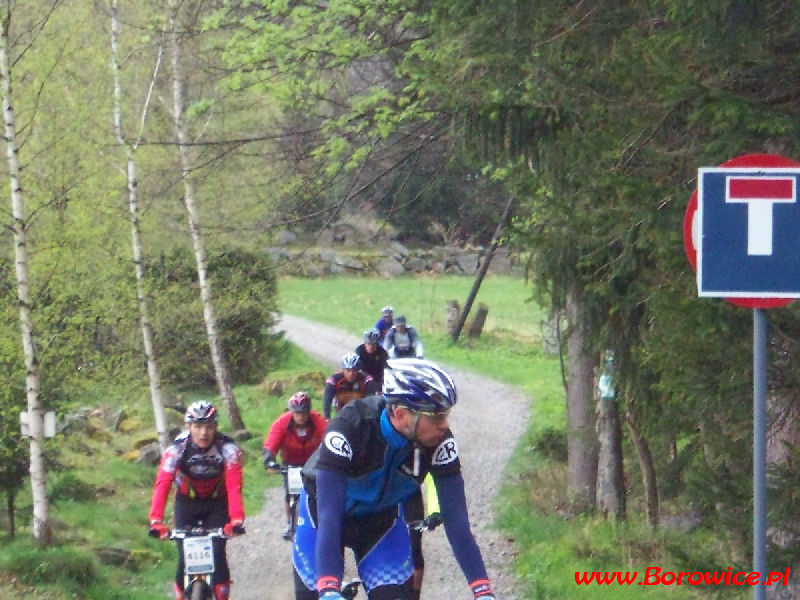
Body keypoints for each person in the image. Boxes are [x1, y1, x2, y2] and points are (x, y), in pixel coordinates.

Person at [291, 359, 498, 600]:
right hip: (322, 513)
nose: (445, 425)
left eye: (446, 415)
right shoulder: (351, 426)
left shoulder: (440, 441)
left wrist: (483, 591)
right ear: (400, 414)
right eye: (436, 417)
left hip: (380, 521)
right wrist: (328, 587)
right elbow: (329, 516)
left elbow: (458, 523)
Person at [148, 401, 244, 600]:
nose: (204, 433)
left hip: (217, 503)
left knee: (218, 554)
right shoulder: (176, 450)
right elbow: (163, 482)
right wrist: (156, 520)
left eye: (209, 426)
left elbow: (234, 486)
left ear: (215, 427)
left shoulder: (228, 449)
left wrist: (236, 519)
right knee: (184, 558)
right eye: (198, 426)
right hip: (187, 503)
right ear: (188, 427)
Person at [263, 391, 328, 539]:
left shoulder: (317, 419)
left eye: (304, 412)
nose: (301, 416)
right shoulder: (282, 423)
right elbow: (271, 442)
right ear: (291, 412)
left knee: (318, 493)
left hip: (312, 463)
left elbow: (328, 434)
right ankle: (290, 523)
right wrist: (269, 460)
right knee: (290, 494)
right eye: (297, 413)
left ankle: (319, 521)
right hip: (290, 463)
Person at [322, 352, 376, 419]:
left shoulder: (366, 379)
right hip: (341, 414)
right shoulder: (334, 380)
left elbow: (371, 400)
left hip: (360, 415)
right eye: (348, 370)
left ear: (358, 370)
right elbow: (327, 399)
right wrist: (327, 417)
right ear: (343, 369)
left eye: (354, 370)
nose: (351, 374)